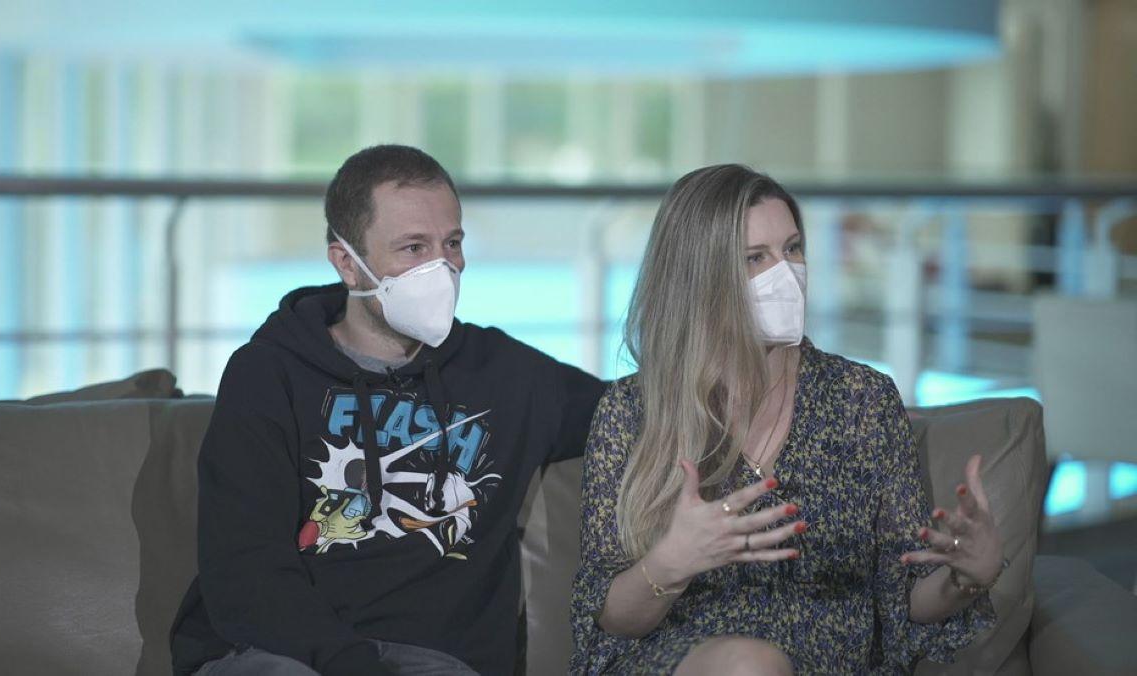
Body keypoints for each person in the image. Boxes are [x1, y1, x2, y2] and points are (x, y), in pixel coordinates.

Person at [170, 145, 606, 676]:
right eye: (413, 248)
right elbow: (245, 570)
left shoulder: (507, 374)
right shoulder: (268, 374)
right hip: (277, 654)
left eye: (452, 243)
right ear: (347, 264)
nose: (441, 268)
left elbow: (646, 407)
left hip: (436, 662)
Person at [570, 164, 1003, 675]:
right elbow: (612, 619)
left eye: (793, 249)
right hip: (680, 662)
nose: (787, 272)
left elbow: (905, 595)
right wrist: (672, 562)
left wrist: (966, 577)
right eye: (756, 258)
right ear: (698, 277)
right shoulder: (633, 411)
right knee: (748, 666)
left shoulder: (861, 400)